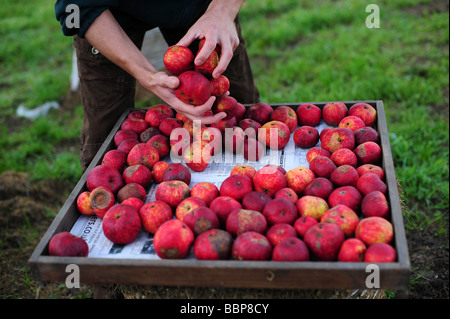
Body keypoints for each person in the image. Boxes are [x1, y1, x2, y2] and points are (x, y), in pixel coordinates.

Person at [55, 0, 260, 172]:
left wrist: (221, 12)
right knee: (105, 148)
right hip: (106, 16)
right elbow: (75, 7)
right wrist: (146, 75)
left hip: (199, 9)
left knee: (242, 117)